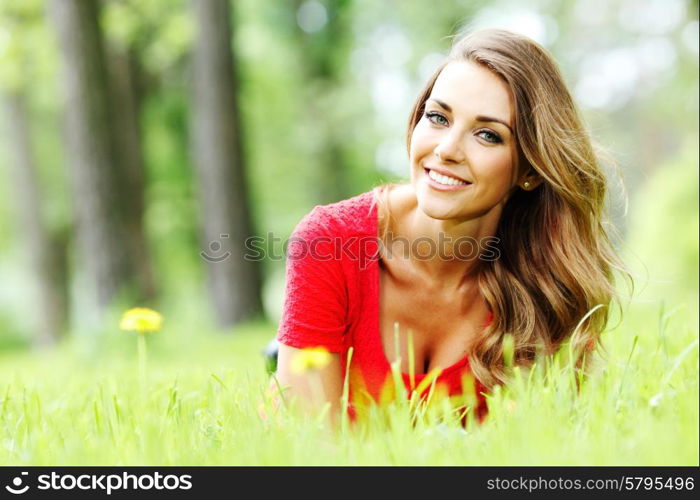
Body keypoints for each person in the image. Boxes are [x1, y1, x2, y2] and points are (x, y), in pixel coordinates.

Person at [267, 28, 629, 425]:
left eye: (488, 135)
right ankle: (280, 356)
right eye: (438, 117)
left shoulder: (549, 286)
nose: (446, 150)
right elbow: (310, 456)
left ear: (529, 170)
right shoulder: (329, 239)